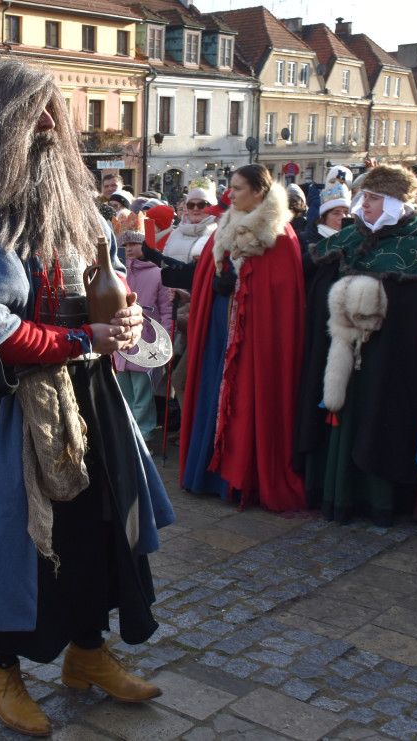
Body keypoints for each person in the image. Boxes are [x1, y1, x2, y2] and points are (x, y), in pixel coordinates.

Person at [0, 59, 174, 738]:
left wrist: (119, 323)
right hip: (10, 413)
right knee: (21, 538)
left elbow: (108, 281)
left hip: (90, 397)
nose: (46, 124)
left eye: (52, 112)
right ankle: (0, 671)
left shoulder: (78, 203)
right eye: (29, 113)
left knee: (99, 528)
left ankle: (86, 653)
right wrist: (81, 337)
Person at [294, 164, 417, 526]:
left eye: (372, 199)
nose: (362, 206)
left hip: (385, 364)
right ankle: (332, 491)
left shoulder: (416, 249)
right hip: (338, 356)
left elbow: (411, 319)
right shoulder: (350, 238)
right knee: (337, 417)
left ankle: (375, 500)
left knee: (377, 421)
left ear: (392, 203)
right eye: (363, 197)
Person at [180, 164, 305, 511]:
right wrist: (219, 285)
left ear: (259, 192)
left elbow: (278, 292)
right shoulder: (225, 226)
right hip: (221, 328)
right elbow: (208, 270)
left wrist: (239, 284)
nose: (229, 195)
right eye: (230, 188)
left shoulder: (280, 235)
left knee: (248, 399)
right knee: (212, 390)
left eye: (237, 189)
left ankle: (240, 479)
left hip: (254, 338)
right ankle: (205, 474)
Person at [113, 212, 172, 443]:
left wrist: (165, 339)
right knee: (123, 394)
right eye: (124, 244)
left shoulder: (157, 273)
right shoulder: (117, 273)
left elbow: (166, 309)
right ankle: (127, 436)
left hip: (147, 344)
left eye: (135, 243)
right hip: (121, 342)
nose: (129, 248)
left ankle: (143, 437)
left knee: (143, 396)